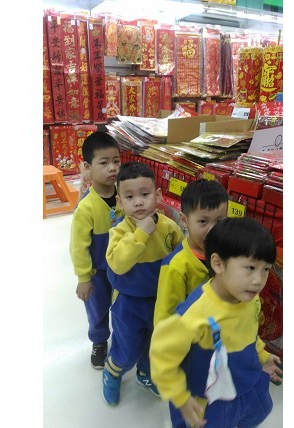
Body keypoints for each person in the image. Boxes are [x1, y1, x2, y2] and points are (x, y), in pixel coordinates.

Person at [150, 217, 283, 428]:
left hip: (246, 383)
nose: (259, 280)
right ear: (218, 263)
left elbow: (248, 331)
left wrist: (262, 354)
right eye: (250, 267)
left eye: (265, 269)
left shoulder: (249, 297)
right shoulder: (195, 314)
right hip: (210, 399)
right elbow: (161, 355)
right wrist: (180, 396)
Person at [102, 161, 185, 406]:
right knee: (127, 347)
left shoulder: (169, 227)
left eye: (145, 194)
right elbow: (118, 264)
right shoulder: (119, 231)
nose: (138, 202)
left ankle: (145, 373)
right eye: (130, 197)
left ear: (158, 195)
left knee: (154, 343)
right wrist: (141, 233)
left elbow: (180, 257)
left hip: (161, 299)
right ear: (120, 202)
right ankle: (113, 370)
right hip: (128, 302)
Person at [69, 131, 121, 370]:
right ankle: (99, 341)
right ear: (88, 167)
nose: (112, 168)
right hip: (97, 273)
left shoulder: (125, 195)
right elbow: (78, 247)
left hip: (122, 268)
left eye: (116, 161)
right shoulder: (86, 207)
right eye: (104, 163)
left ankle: (122, 340)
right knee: (97, 309)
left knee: (122, 307)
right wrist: (84, 278)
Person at [153, 179, 229, 326]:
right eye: (203, 221)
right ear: (184, 220)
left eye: (219, 222)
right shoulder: (176, 266)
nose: (212, 230)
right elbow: (165, 317)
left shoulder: (228, 253)